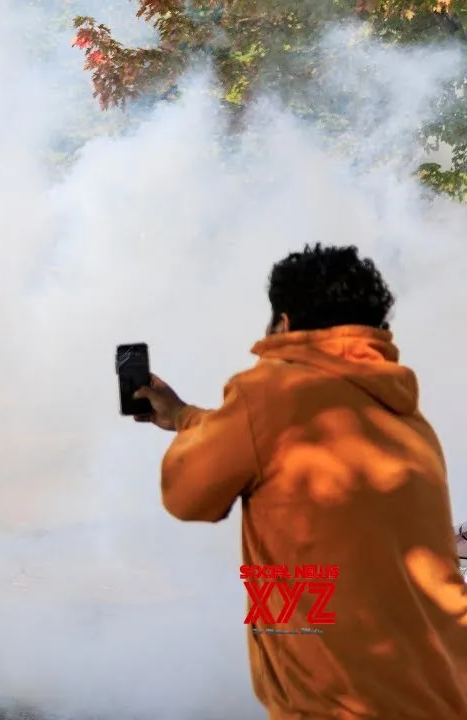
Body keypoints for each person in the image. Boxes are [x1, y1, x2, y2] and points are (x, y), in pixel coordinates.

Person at [133, 243, 467, 718]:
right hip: (442, 693)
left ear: (284, 324)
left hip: (340, 705)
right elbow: (277, 443)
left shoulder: (271, 393)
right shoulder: (402, 414)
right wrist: (186, 416)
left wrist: (202, 422)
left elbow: (186, 495)